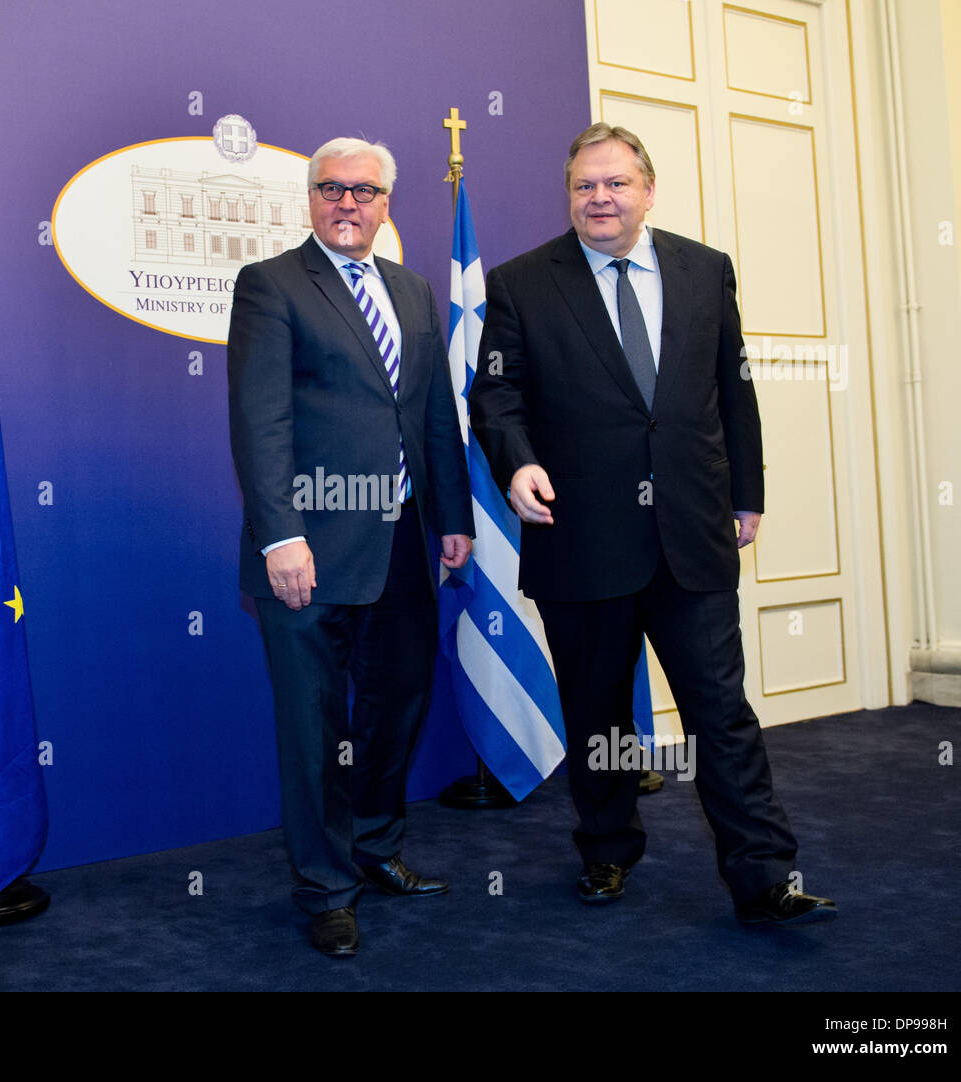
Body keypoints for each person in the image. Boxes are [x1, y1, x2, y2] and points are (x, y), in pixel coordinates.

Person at [468, 123, 835, 925]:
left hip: (692, 533)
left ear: (648, 189)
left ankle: (765, 875)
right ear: (569, 196)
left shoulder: (706, 271)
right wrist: (517, 462)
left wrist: (748, 492)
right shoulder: (523, 283)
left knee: (721, 713)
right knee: (597, 714)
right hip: (582, 538)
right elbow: (496, 397)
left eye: (616, 183)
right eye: (584, 186)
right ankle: (605, 852)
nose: (600, 198)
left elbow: (733, 390)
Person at [227, 137, 474, 957]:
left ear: (385, 203)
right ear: (310, 197)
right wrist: (281, 536)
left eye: (364, 191)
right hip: (309, 552)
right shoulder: (270, 286)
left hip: (403, 545)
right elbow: (260, 422)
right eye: (331, 188)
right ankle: (327, 887)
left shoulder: (411, 290)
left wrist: (453, 518)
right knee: (313, 725)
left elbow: (434, 413)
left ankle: (374, 848)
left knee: (399, 704)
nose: (347, 202)